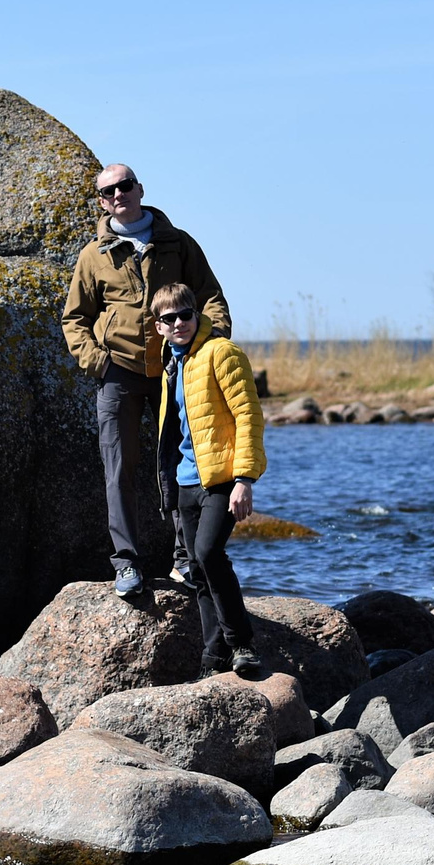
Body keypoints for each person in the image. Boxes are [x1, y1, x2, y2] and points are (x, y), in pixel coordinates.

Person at [60, 164, 230, 598]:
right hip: (117, 374)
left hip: (175, 371)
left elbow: (209, 296)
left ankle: (184, 561)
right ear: (101, 201)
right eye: (109, 190)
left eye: (125, 185)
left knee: (181, 466)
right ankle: (127, 564)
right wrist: (96, 362)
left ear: (140, 189)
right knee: (118, 469)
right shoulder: (93, 255)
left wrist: (207, 345)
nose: (118, 194)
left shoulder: (177, 242)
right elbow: (74, 319)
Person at [150, 280, 266, 677]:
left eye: (186, 313)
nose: (180, 322)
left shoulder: (222, 352)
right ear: (159, 326)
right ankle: (214, 656)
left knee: (208, 553)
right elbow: (176, 431)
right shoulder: (171, 364)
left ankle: (243, 645)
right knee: (197, 571)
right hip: (185, 482)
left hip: (221, 478)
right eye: (170, 318)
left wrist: (245, 479)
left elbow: (249, 417)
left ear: (196, 315)